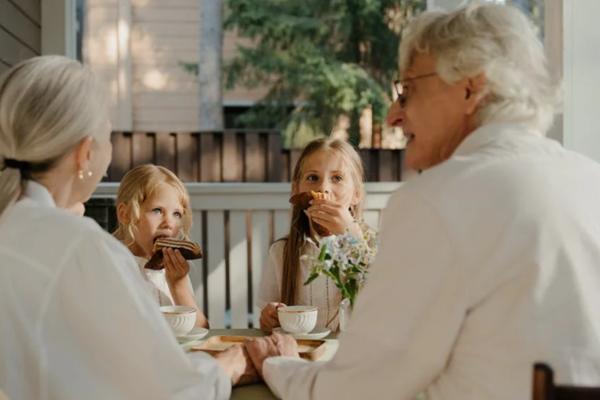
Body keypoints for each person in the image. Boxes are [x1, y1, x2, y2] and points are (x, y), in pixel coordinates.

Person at [243, 3, 600, 399]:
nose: (394, 115)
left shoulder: (438, 200)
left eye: (408, 90)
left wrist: (277, 361)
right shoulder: (590, 181)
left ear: (470, 88)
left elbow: (353, 391)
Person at [0, 56, 254, 399]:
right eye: (107, 132)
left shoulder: (19, 228)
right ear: (84, 153)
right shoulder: (81, 247)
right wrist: (230, 365)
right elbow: (165, 390)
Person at [257, 138, 375, 332]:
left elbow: (386, 307)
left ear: (357, 193)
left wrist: (353, 237)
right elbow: (267, 320)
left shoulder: (376, 248)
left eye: (337, 178)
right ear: (296, 190)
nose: (323, 189)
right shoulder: (281, 253)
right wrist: (268, 318)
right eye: (313, 178)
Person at [114, 164, 208, 328]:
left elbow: (201, 331)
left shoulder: (173, 270)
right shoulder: (112, 264)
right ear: (125, 214)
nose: (169, 223)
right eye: (157, 211)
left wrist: (179, 285)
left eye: (176, 214)